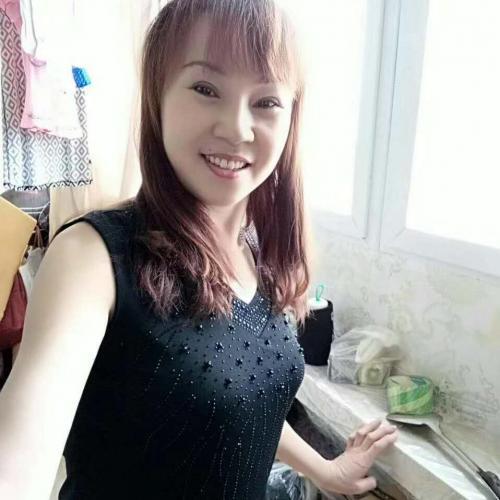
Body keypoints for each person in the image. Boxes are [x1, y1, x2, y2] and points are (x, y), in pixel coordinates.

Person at [0, 1, 398, 498]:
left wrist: (325, 470)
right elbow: (17, 463)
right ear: (158, 97)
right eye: (206, 89)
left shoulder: (260, 254)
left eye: (266, 101)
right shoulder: (93, 257)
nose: (237, 128)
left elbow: (242, 398)